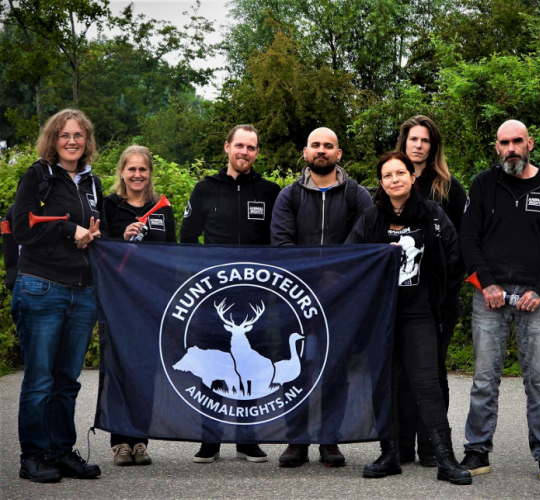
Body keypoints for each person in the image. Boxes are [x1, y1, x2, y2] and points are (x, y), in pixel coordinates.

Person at [346, 151, 470, 485]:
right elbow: (350, 261)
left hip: (420, 315)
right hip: (382, 320)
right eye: (387, 176)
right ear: (382, 183)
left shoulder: (432, 214)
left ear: (412, 177)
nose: (394, 179)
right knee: (384, 386)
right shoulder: (371, 219)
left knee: (427, 386)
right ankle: (390, 455)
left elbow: (454, 260)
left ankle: (445, 458)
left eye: (400, 173)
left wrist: (440, 303)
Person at [459, 120, 540, 482]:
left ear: (530, 144)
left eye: (517, 141)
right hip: (488, 297)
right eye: (504, 142)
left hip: (535, 297)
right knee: (483, 379)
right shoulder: (483, 184)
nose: (511, 148)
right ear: (497, 148)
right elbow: (468, 240)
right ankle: (477, 450)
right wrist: (487, 284)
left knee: (538, 379)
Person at [11, 109, 107, 483]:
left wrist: (118, 235)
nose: (72, 141)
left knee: (68, 379)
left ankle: (61, 451)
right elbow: (22, 229)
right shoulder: (37, 175)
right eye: (65, 135)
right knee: (40, 379)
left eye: (79, 136)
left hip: (83, 293)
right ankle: (33, 456)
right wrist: (70, 230)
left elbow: (100, 230)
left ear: (87, 142)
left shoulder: (92, 183)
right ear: (53, 139)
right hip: (41, 287)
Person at [270, 127, 373, 467]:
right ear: (305, 152)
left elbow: (366, 239)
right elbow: (282, 246)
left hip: (343, 299)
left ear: (339, 154)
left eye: (329, 146)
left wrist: (335, 274)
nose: (322, 150)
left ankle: (330, 439)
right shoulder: (289, 196)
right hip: (296, 299)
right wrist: (315, 278)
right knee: (295, 369)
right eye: (316, 145)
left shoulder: (358, 195)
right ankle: (296, 440)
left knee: (335, 368)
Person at [180, 124, 281, 463]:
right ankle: (209, 440)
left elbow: (280, 242)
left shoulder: (270, 191)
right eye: (239, 146)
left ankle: (247, 440)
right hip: (214, 299)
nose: (244, 153)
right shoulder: (205, 189)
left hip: (256, 299)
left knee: (250, 366)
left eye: (251, 148)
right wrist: (202, 278)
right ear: (227, 147)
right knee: (214, 364)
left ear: (256, 152)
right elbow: (187, 239)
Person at [394, 115, 467, 466]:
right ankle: (402, 446)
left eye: (425, 140)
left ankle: (432, 448)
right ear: (404, 144)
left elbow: (460, 248)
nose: (419, 145)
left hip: (437, 300)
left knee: (432, 371)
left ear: (433, 146)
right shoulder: (392, 183)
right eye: (413, 140)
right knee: (401, 371)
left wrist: (448, 293)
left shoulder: (450, 189)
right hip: (400, 298)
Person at [103, 145, 177, 466]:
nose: (136, 175)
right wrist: (122, 236)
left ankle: (140, 441)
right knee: (118, 367)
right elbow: (100, 248)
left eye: (142, 169)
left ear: (150, 173)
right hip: (118, 299)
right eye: (131, 169)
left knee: (146, 370)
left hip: (150, 302)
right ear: (122, 171)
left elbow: (172, 255)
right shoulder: (107, 206)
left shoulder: (163, 209)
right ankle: (120, 442)